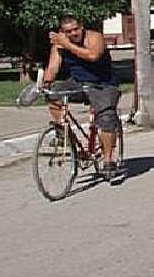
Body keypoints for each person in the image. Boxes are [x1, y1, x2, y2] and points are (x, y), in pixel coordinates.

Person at [42, 14, 121, 175]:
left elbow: (93, 56)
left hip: (103, 84)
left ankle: (108, 161)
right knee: (54, 93)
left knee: (105, 117)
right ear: (62, 31)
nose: (73, 34)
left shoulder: (94, 37)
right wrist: (46, 82)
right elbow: (53, 67)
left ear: (82, 27)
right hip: (78, 82)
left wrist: (67, 44)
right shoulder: (59, 45)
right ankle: (64, 136)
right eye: (68, 31)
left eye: (75, 29)